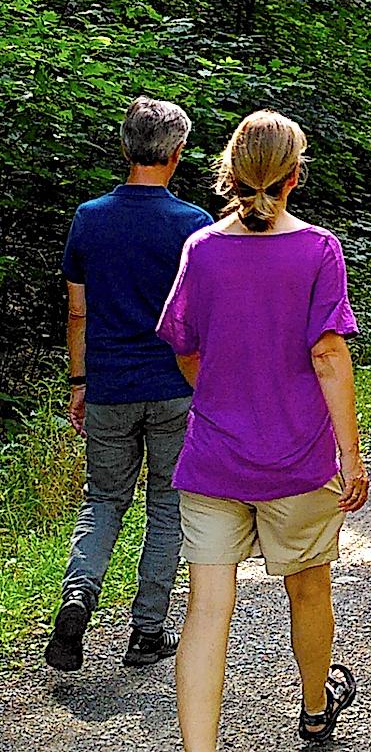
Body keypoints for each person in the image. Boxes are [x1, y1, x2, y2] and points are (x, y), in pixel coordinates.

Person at [156, 110, 369, 749]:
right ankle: (313, 707)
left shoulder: (202, 249)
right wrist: (351, 459)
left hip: (214, 459)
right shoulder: (317, 249)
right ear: (293, 176)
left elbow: (185, 347)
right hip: (299, 460)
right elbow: (328, 356)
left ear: (232, 170)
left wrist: (221, 393)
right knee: (308, 588)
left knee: (205, 611)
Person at [46, 97, 213, 672]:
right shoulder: (192, 225)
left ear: (125, 148)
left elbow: (77, 313)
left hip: (110, 386)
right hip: (173, 386)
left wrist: (79, 382)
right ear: (176, 153)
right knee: (167, 504)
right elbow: (199, 319)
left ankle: (77, 596)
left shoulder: (90, 218)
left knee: (102, 500)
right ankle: (147, 633)